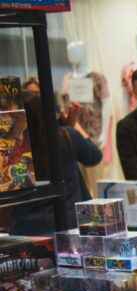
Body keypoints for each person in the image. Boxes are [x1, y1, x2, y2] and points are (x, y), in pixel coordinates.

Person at [13, 97, 101, 234]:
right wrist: (74, 125)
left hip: (26, 226)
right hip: (66, 225)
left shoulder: (14, 149)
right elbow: (94, 156)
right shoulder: (66, 136)